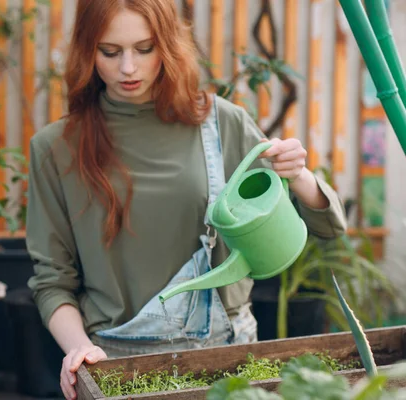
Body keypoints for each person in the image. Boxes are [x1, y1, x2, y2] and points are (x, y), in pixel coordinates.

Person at [25, 1, 347, 398]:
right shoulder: (55, 147)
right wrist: (78, 348)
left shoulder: (219, 123)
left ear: (168, 45)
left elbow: (328, 226)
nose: (128, 67)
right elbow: (52, 280)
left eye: (145, 49)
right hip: (114, 365)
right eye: (110, 52)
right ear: (86, 50)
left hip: (228, 361)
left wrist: (297, 174)